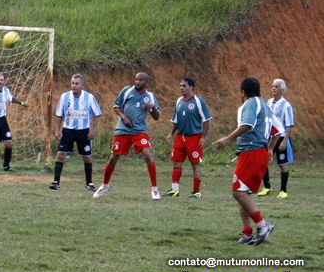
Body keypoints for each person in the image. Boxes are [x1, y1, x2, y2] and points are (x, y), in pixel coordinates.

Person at [214, 77, 280, 246]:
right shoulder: (265, 105)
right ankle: (247, 234)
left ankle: (263, 225)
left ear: (242, 92)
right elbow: (278, 131)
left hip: (252, 151)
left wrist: (227, 139)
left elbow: (247, 125)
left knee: (238, 192)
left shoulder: (250, 104)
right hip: (258, 152)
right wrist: (270, 149)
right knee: (244, 193)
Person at [93, 72, 161, 200]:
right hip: (123, 130)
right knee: (114, 157)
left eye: (141, 80)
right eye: (136, 79)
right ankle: (105, 186)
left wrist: (151, 108)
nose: (137, 82)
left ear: (147, 82)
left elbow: (157, 117)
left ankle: (155, 189)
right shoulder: (127, 90)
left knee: (148, 154)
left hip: (139, 130)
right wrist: (123, 117)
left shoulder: (150, 96)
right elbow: (116, 106)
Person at [49, 74, 102, 191]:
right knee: (60, 155)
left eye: (77, 84)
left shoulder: (89, 97)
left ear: (82, 85)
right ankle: (55, 182)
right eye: (72, 83)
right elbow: (59, 114)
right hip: (68, 131)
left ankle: (89, 184)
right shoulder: (65, 97)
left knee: (87, 157)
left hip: (84, 132)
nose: (74, 86)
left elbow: (97, 113)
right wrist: (57, 130)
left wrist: (93, 129)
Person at [165, 77, 212, 199]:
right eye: (180, 86)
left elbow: (206, 120)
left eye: (184, 86)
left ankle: (196, 192)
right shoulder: (179, 101)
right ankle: (175, 190)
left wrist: (203, 137)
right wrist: (171, 133)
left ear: (191, 87)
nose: (181, 88)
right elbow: (175, 120)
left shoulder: (198, 101)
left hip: (194, 138)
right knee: (176, 163)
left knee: (195, 164)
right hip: (180, 137)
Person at [257, 78, 295, 199]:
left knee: (282, 164)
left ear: (282, 89)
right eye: (273, 86)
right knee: (264, 161)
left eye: (277, 86)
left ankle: (283, 190)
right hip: (269, 137)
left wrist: (284, 141)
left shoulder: (286, 105)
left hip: (281, 138)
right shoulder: (268, 102)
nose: (274, 88)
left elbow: (289, 125)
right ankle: (267, 187)